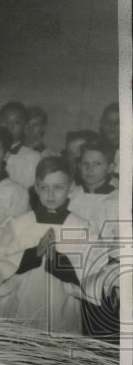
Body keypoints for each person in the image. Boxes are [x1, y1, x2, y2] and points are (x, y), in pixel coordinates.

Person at [0, 157, 90, 334]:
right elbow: (1, 264)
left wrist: (58, 261)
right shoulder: (19, 224)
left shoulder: (80, 227)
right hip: (20, 302)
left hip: (62, 308)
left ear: (71, 189)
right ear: (36, 188)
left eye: (58, 187)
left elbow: (90, 278)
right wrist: (32, 255)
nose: (50, 194)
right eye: (44, 187)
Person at [69, 142, 121, 338]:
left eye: (97, 164)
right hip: (67, 272)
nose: (89, 169)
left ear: (110, 168)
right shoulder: (71, 195)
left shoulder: (117, 202)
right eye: (85, 163)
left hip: (100, 277)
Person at [0, 101, 41, 189]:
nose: (9, 126)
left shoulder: (32, 158)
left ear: (25, 127)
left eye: (17, 122)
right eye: (5, 121)